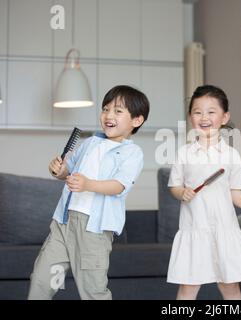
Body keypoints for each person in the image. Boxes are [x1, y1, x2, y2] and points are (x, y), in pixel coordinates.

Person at [28, 85, 149, 300]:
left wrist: (88, 185)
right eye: (105, 109)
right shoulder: (89, 143)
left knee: (92, 290)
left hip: (94, 230)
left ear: (136, 121)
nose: (108, 115)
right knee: (41, 279)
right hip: (63, 224)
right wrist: (58, 170)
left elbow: (119, 186)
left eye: (118, 111)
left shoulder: (132, 153)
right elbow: (68, 171)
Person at [167, 84, 241, 300]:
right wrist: (182, 193)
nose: (204, 117)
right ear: (190, 117)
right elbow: (174, 186)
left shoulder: (232, 155)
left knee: (230, 287)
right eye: (197, 112)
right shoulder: (183, 154)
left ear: (224, 117)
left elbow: (235, 192)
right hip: (194, 228)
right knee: (188, 288)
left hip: (224, 229)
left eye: (211, 112)